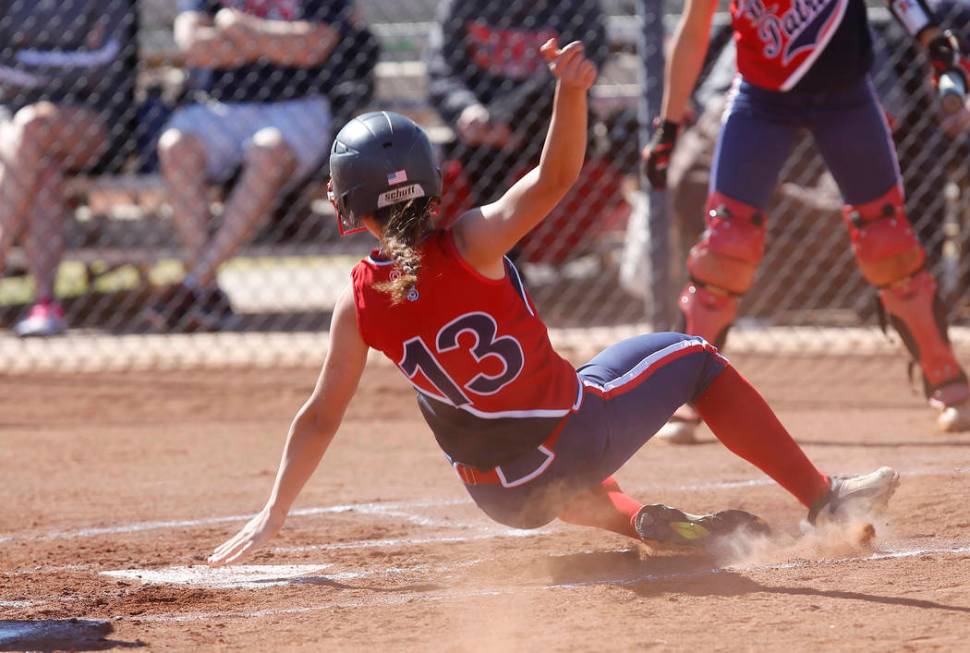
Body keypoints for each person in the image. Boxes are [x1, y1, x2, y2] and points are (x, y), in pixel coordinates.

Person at [207, 40, 899, 566]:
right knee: (693, 357)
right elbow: (556, 176)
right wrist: (570, 94)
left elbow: (321, 416)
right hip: (569, 442)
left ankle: (638, 522)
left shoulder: (356, 305)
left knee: (522, 443)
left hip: (502, 495)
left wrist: (274, 511)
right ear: (430, 182)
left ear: (346, 208)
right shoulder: (471, 241)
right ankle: (824, 498)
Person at [642, 0, 970, 442]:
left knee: (887, 240)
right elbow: (694, 28)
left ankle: (946, 378)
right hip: (760, 100)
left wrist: (932, 39)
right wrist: (669, 125)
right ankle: (689, 391)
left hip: (846, 99)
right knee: (726, 245)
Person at [146, 0, 378, 332]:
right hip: (218, 106)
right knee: (176, 146)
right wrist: (275, 45)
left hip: (299, 105)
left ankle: (194, 285)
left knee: (268, 151)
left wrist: (239, 30)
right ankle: (204, 287)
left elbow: (313, 48)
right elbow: (195, 47)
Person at [0, 0, 138, 337]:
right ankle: (45, 303)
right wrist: (65, 65)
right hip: (12, 123)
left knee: (33, 126)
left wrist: (27, 66)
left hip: (93, 121)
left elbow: (106, 63)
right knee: (41, 165)